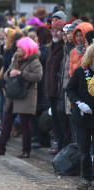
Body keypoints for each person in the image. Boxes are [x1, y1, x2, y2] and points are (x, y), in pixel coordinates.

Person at [0, 37, 43, 158]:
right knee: (7, 122)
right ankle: (0, 147)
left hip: (26, 95)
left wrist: (21, 73)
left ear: (27, 49)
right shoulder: (15, 58)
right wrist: (11, 73)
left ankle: (26, 150)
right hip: (13, 95)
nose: (18, 49)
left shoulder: (35, 62)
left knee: (25, 124)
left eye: (20, 47)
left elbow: (38, 77)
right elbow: (6, 74)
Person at [66, 44, 94, 190]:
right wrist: (79, 103)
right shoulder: (80, 72)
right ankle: (86, 178)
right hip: (83, 117)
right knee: (84, 150)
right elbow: (70, 89)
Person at [44, 19, 67, 155]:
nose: (55, 33)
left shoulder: (63, 48)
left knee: (62, 121)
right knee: (56, 121)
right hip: (51, 90)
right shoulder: (52, 47)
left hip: (59, 90)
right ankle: (59, 145)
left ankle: (63, 146)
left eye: (58, 31)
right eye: (53, 30)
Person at [30, 26, 51, 148]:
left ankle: (43, 140)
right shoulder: (44, 49)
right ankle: (38, 138)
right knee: (38, 114)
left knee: (41, 115)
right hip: (42, 86)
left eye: (37, 36)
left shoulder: (44, 51)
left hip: (43, 87)